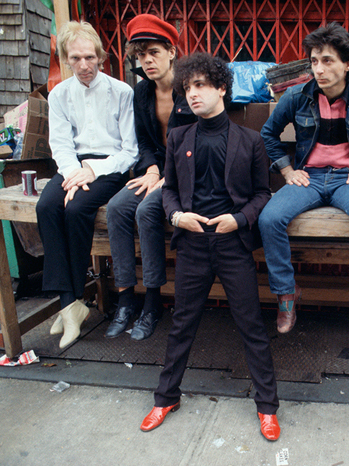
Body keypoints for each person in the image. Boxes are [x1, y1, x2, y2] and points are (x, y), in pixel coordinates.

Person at [139, 53, 280, 441]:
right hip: (193, 244)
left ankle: (267, 406)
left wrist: (240, 219)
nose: (193, 94)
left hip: (233, 243)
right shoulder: (180, 137)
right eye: (188, 87)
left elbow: (263, 193)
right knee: (182, 323)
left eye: (201, 85)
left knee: (251, 324)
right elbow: (168, 189)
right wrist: (176, 217)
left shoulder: (250, 140)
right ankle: (166, 396)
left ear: (221, 88)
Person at [259, 22, 349, 352]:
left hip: (346, 179)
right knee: (269, 219)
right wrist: (287, 169)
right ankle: (286, 293)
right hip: (307, 177)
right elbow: (269, 133)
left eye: (327, 61)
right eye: (314, 61)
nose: (318, 69)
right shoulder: (296, 96)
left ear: (348, 64)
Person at [37, 21, 137, 349]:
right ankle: (70, 304)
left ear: (101, 57)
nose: (84, 65)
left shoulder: (121, 91)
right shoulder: (60, 94)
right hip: (74, 166)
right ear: (66, 58)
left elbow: (129, 151)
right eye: (76, 58)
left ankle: (72, 301)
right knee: (47, 206)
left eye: (90, 57)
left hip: (111, 168)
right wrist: (72, 173)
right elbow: (61, 144)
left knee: (77, 209)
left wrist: (93, 170)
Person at [104, 14, 197, 340]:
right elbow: (143, 140)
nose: (147, 61)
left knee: (146, 211)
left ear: (172, 51)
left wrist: (167, 176)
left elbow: (200, 143)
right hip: (155, 172)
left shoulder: (191, 89)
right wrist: (153, 169)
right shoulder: (140, 92)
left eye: (154, 52)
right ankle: (126, 299)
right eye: (141, 55)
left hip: (187, 176)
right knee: (117, 208)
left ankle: (153, 301)